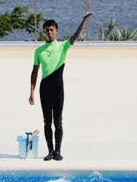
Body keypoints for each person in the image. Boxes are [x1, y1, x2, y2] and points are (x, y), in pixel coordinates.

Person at [28, 13, 93, 161]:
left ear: (57, 31)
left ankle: (58, 151)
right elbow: (34, 72)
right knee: (47, 121)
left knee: (58, 121)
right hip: (44, 89)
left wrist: (83, 21)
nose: (49, 32)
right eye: (46, 30)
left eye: (51, 30)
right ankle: (50, 151)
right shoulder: (39, 51)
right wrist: (31, 92)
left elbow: (75, 36)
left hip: (58, 89)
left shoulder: (63, 46)